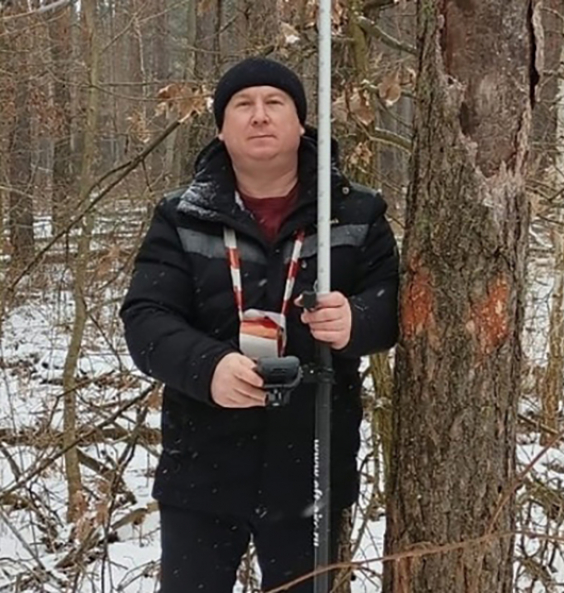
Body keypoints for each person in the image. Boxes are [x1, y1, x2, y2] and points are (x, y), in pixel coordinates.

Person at [120, 56, 399, 592]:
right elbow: (146, 319)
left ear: (300, 123)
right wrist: (210, 367)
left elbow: (391, 304)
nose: (259, 116)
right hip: (202, 463)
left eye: (275, 103)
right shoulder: (181, 216)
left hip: (314, 461)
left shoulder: (354, 212)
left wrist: (355, 321)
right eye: (242, 106)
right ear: (222, 130)